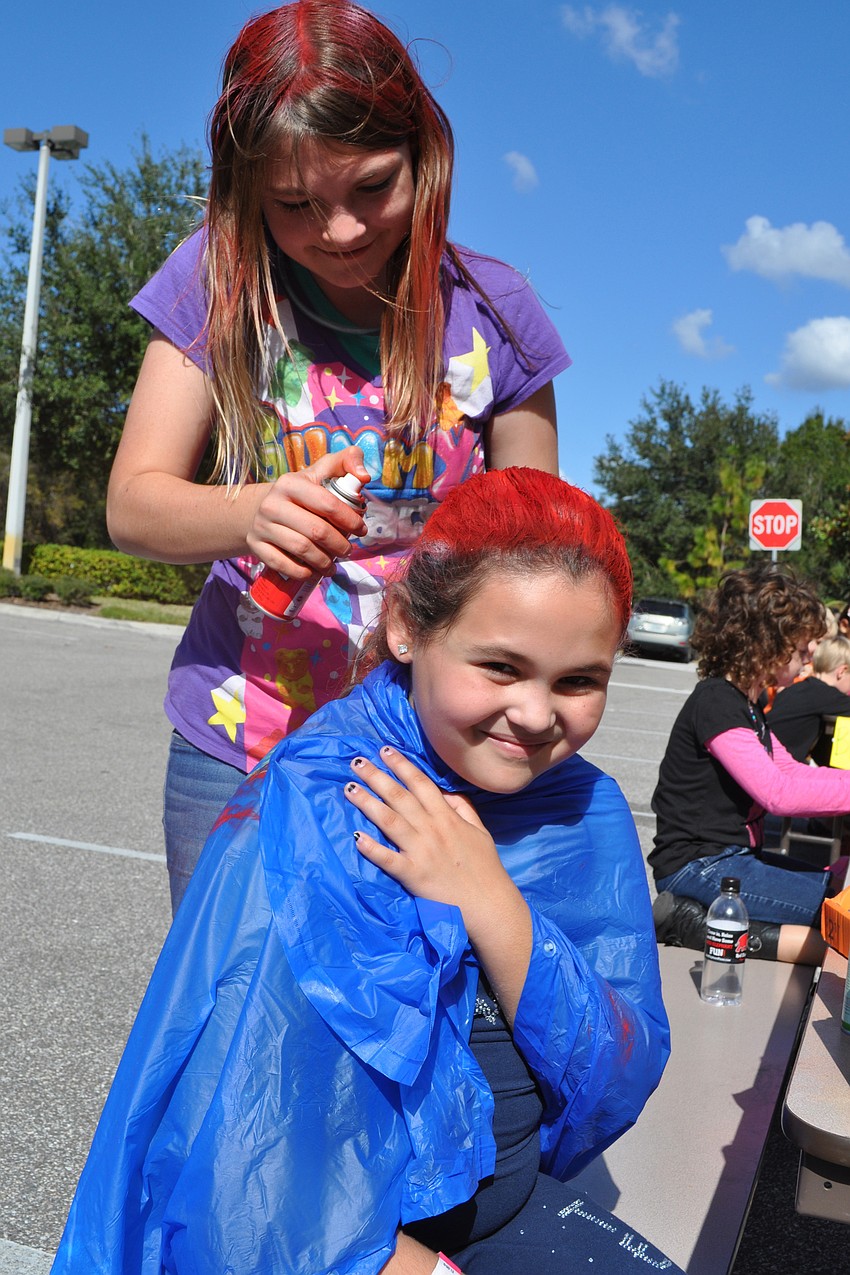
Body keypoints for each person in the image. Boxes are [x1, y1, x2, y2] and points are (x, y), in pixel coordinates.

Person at [51, 469, 677, 1275]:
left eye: (579, 680)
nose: (535, 714)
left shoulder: (581, 807)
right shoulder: (320, 806)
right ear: (409, 628)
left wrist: (489, 899)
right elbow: (248, 1181)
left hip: (510, 1207)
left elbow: (616, 1067)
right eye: (499, 666)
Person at [106, 0, 570, 914]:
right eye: (296, 205)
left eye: (373, 186)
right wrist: (251, 511)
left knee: (409, 990)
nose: (344, 230)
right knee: (228, 987)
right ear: (246, 190)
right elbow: (133, 505)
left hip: (425, 750)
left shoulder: (495, 312)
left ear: (424, 155)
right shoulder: (215, 282)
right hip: (238, 734)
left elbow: (539, 550)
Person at [649, 564, 850, 966]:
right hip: (699, 866)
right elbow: (777, 793)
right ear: (766, 643)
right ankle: (694, 926)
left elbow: (789, 770)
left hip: (731, 859)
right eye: (801, 647)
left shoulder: (747, 703)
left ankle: (701, 924)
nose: (811, 654)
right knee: (837, 914)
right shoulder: (716, 701)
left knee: (837, 888)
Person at [768, 633, 850, 764]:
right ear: (842, 672)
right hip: (778, 764)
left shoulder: (795, 688)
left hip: (764, 751)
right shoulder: (829, 696)